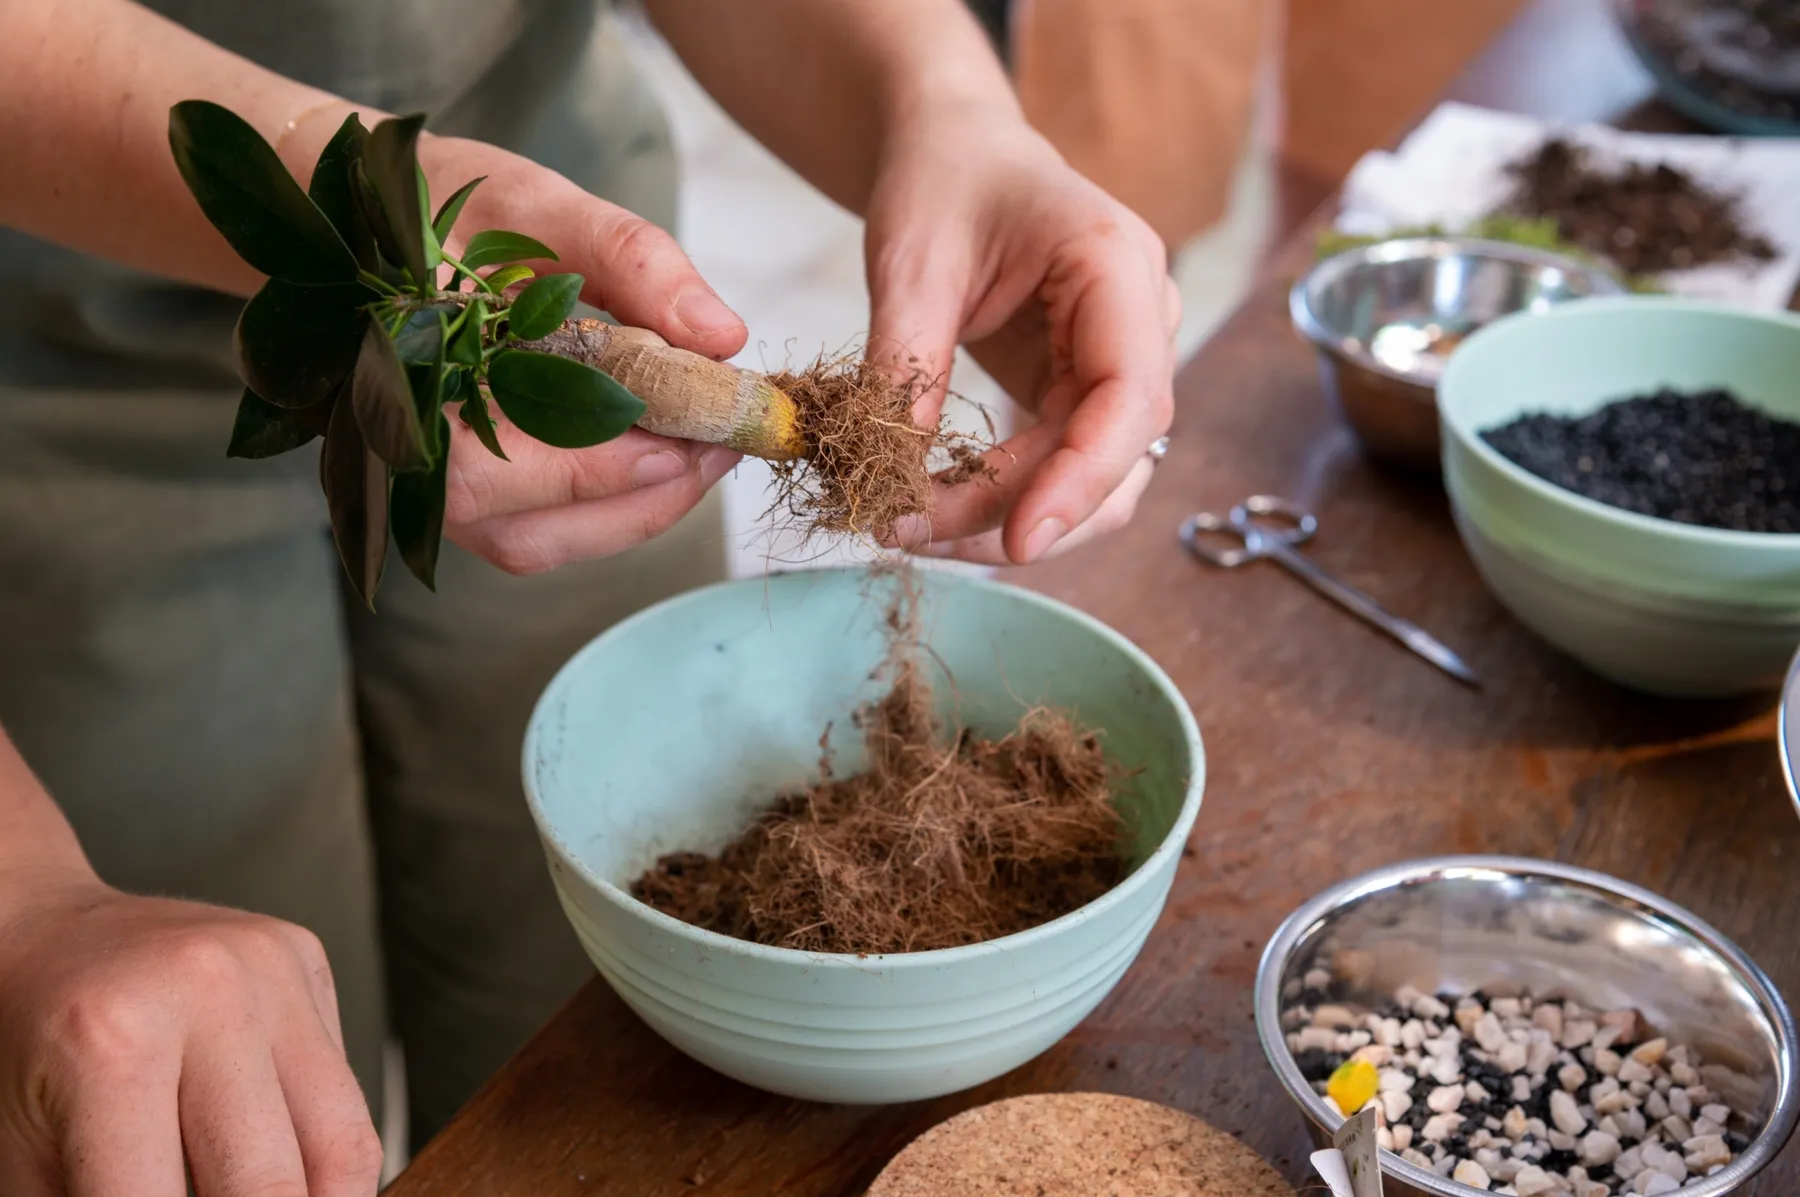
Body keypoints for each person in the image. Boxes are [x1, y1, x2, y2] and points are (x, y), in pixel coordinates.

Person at [0, 0, 1176, 1191]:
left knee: (577, 996)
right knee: (221, 1048)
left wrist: (946, 107)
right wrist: (22, 895)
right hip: (58, 375)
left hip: (549, 302)